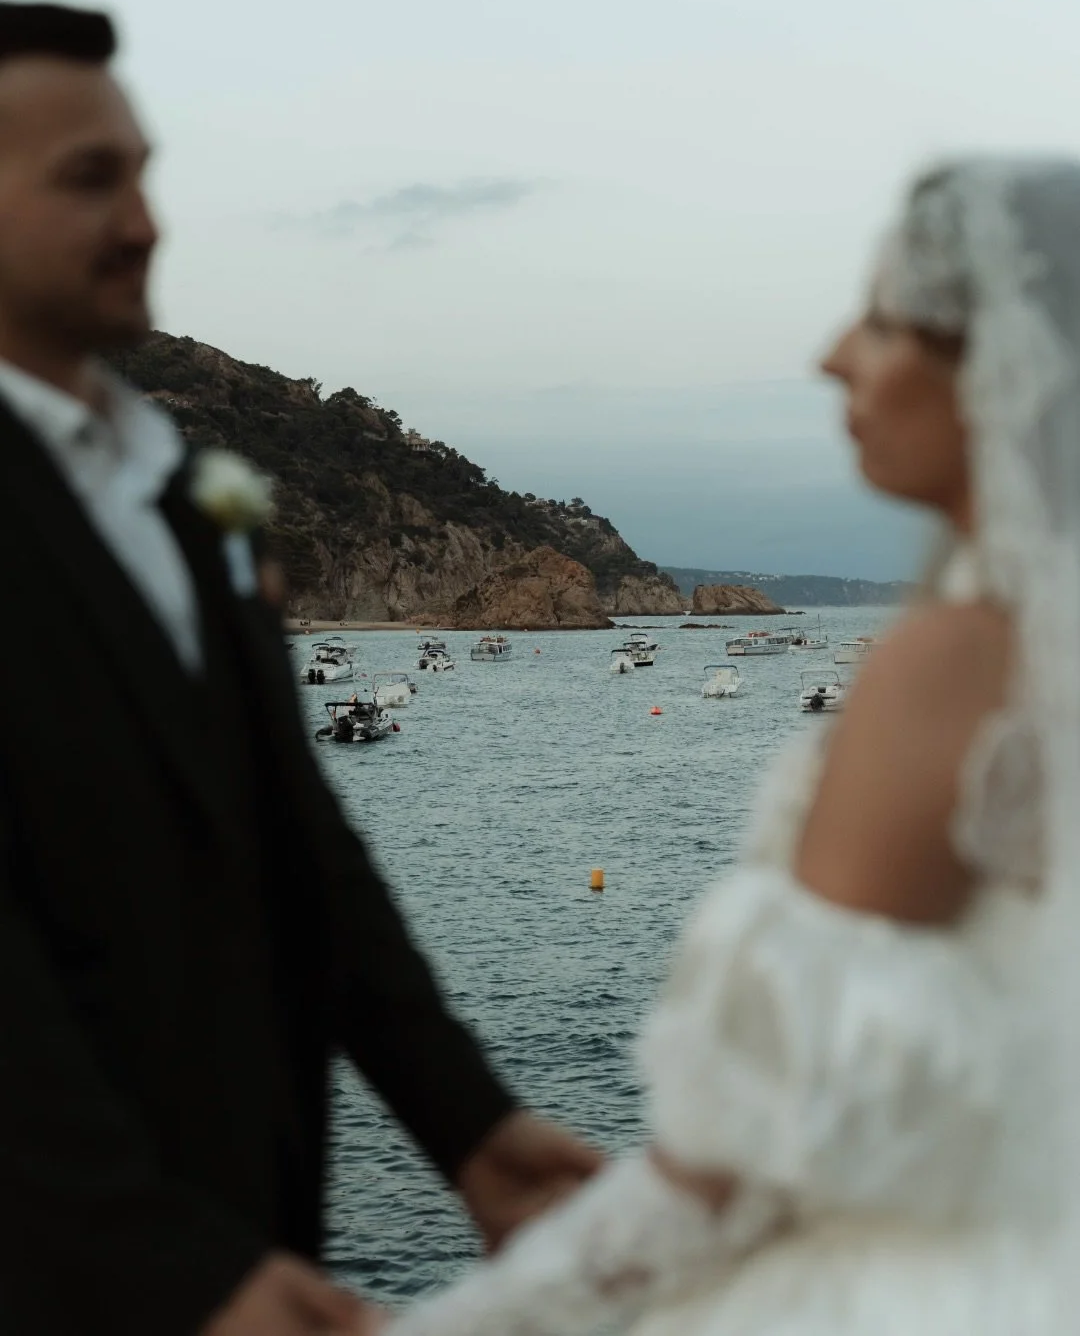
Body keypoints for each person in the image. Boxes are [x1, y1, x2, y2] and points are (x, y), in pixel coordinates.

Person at [372, 159, 1080, 1334]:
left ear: (1002, 367)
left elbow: (750, 1155)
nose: (833, 355)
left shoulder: (962, 661)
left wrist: (464, 1321)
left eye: (886, 319)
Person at [0, 3, 599, 1336]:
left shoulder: (184, 490)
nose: (147, 222)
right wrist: (162, 1263)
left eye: (146, 172)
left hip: (248, 1225)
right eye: (91, 180)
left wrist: (469, 1125)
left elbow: (296, 834)